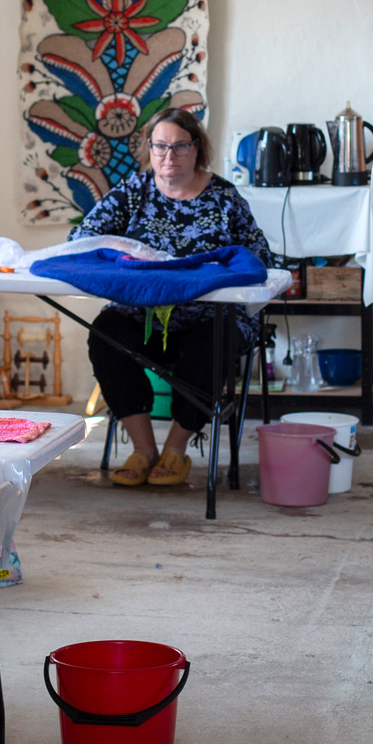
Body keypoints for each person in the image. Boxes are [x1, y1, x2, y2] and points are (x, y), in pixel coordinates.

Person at [72, 108, 275, 488]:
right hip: (143, 316)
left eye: (180, 146)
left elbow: (260, 257)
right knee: (106, 333)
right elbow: (83, 238)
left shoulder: (223, 198)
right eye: (160, 146)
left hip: (209, 317)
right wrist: (124, 253)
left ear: (197, 148)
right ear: (149, 149)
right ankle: (144, 449)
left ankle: (176, 449)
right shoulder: (135, 191)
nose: (169, 155)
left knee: (212, 340)